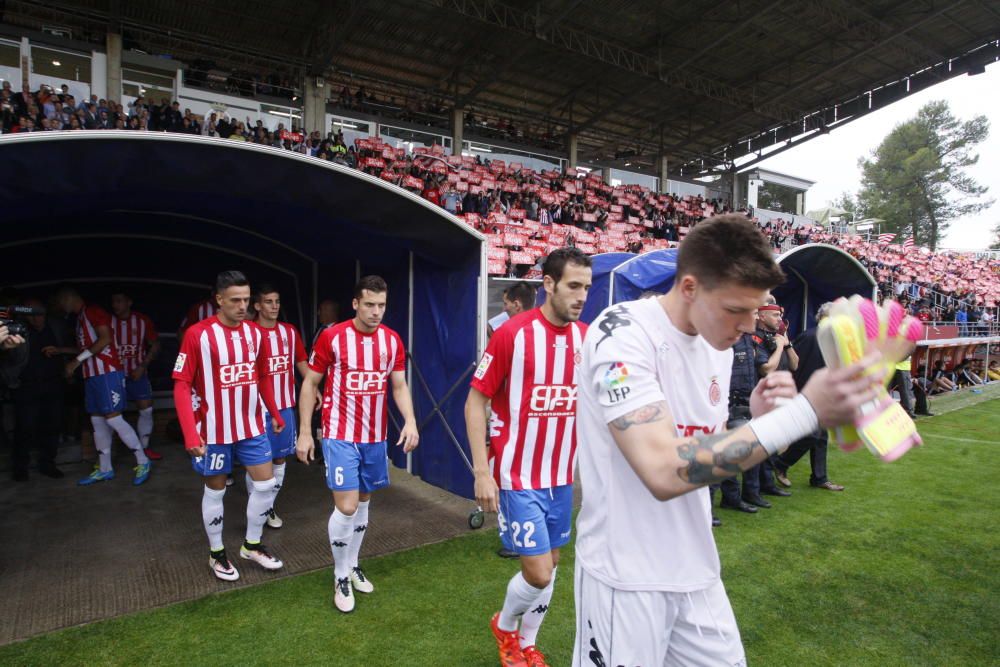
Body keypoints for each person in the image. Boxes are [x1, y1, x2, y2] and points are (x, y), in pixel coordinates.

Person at [572, 214, 883, 666]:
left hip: (697, 571)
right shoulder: (620, 334)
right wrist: (803, 413)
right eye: (737, 309)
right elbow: (663, 469)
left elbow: (700, 445)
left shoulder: (715, 343)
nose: (748, 324)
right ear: (691, 287)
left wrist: (754, 419)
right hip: (626, 576)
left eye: (757, 309)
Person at [466, 248, 592, 667]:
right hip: (517, 476)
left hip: (560, 476)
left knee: (552, 565)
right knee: (538, 572)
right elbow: (474, 402)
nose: (581, 296)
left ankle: (526, 644)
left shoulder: (587, 338)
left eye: (587, 288)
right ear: (549, 285)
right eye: (573, 286)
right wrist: (482, 472)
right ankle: (504, 627)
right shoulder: (512, 335)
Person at [296, 275, 420, 613]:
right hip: (339, 434)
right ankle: (339, 574)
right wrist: (305, 431)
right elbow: (311, 384)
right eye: (369, 304)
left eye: (381, 305)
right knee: (347, 506)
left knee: (363, 502)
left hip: (374, 437)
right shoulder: (333, 337)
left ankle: (352, 564)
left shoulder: (392, 341)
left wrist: (409, 420)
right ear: (355, 304)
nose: (376, 311)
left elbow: (398, 386)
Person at [172, 270, 286, 581]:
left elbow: (262, 376)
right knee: (216, 491)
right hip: (214, 431)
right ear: (219, 300)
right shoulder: (198, 335)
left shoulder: (253, 334)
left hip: (250, 426)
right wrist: (190, 434)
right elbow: (181, 385)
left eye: (246, 300)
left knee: (265, 484)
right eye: (235, 300)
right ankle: (217, 553)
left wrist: (275, 413)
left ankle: (251, 544)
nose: (242, 306)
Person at [52, 287, 151, 487]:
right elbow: (87, 347)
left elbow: (105, 339)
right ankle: (105, 469)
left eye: (60, 301)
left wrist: (76, 361)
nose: (60, 306)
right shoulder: (80, 318)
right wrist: (61, 351)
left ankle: (143, 461)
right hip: (92, 375)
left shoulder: (93, 311)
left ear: (68, 297)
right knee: (97, 422)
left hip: (107, 373)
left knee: (113, 419)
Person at [772, 302, 845, 491]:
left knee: (820, 438)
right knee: (812, 436)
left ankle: (819, 477)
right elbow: (794, 364)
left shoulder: (833, 340)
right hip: (806, 394)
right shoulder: (810, 336)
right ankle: (781, 464)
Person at [252, 284, 309, 528]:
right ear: (257, 305)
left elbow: (302, 362)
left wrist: (313, 387)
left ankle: (268, 508)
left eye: (276, 301)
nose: (274, 306)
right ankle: (257, 510)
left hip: (285, 406)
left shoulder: (289, 331)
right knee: (257, 462)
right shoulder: (248, 332)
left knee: (280, 460)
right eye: (268, 301)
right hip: (255, 408)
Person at [744, 296, 796, 503]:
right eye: (775, 315)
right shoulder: (755, 337)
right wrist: (780, 347)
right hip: (761, 397)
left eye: (780, 315)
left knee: (772, 444)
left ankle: (767, 484)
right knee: (759, 446)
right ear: (762, 315)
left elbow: (795, 365)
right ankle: (752, 491)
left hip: (778, 396)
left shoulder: (778, 336)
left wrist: (787, 343)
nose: (779, 319)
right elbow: (766, 369)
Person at [111, 290, 162, 461]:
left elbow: (155, 344)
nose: (116, 305)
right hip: (113, 376)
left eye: (119, 301)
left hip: (137, 373)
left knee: (146, 408)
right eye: (114, 302)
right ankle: (110, 451)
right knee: (111, 413)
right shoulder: (108, 321)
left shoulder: (141, 320)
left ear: (129, 302)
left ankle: (145, 447)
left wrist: (142, 366)